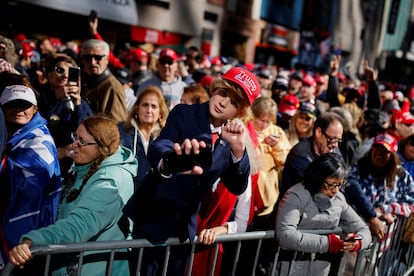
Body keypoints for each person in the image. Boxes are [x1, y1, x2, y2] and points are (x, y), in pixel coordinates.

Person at [128, 66, 260, 275]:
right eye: (223, 93)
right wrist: (171, 161)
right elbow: (159, 146)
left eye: (233, 102)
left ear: (240, 112)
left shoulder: (231, 138)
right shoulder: (184, 113)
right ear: (215, 89)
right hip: (153, 219)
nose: (223, 103)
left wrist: (238, 151)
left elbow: (237, 186)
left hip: (184, 231)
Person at [8, 114, 138, 275]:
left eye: (82, 142)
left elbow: (79, 225)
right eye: (75, 138)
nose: (74, 144)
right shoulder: (86, 168)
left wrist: (33, 241)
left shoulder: (111, 180)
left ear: (102, 146)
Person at [275, 153, 372, 276]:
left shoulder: (339, 199)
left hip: (320, 269)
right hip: (291, 268)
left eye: (340, 184)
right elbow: (285, 235)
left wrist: (357, 242)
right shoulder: (296, 195)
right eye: (330, 184)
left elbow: (363, 229)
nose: (335, 190)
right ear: (318, 177)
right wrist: (328, 243)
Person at [0, 84, 61, 269]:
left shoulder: (41, 140)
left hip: (28, 242)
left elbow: (21, 182)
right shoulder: (10, 138)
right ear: (2, 109)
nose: (19, 109)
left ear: (35, 109)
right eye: (13, 104)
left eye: (24, 105)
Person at [37, 53, 94, 180]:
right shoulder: (40, 100)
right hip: (45, 163)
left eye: (70, 72)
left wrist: (77, 104)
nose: (65, 75)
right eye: (59, 70)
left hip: (72, 169)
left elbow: (89, 132)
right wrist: (60, 101)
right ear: (49, 76)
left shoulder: (82, 104)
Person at [118, 85, 169, 190]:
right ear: (137, 108)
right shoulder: (121, 131)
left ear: (160, 113)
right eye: (145, 105)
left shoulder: (166, 136)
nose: (149, 110)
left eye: (154, 106)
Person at [80, 39, 128, 123]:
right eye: (87, 58)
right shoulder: (82, 82)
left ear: (107, 59)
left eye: (98, 58)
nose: (93, 62)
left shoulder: (112, 87)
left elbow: (117, 125)